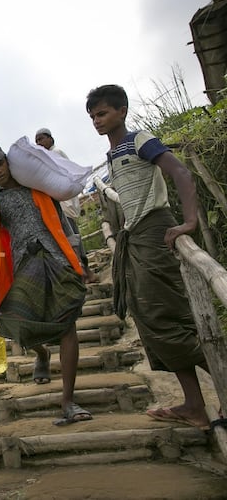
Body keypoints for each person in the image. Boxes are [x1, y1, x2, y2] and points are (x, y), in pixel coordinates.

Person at [86, 84, 211, 430]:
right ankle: (194, 405)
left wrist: (189, 222)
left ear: (122, 111)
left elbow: (180, 172)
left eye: (103, 113)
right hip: (136, 235)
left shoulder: (140, 140)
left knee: (165, 314)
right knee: (150, 316)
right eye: (93, 116)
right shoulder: (113, 155)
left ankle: (211, 390)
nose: (97, 121)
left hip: (155, 230)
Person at [0, 142, 91, 425]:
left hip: (58, 261)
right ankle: (41, 353)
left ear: (7, 162)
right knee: (18, 324)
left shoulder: (38, 188)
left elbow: (65, 226)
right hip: (22, 268)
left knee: (67, 327)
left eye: (0, 164)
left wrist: (82, 260)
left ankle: (68, 400)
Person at [35, 127, 98, 283]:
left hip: (64, 204)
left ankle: (85, 272)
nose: (39, 143)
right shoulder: (51, 155)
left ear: (50, 139)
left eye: (41, 139)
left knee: (71, 237)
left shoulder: (55, 154)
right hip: (62, 203)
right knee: (68, 238)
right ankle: (81, 272)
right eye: (37, 141)